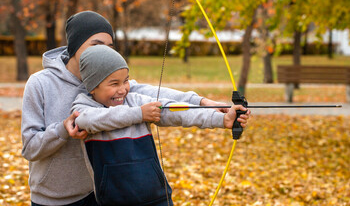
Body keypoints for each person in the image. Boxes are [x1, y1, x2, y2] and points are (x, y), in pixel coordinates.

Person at [21, 11, 251, 206]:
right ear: (74, 46)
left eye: (110, 47)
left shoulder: (116, 85)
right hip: (53, 199)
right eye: (96, 45)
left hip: (101, 195)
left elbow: (161, 99)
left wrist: (205, 104)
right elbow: (30, 147)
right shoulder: (41, 84)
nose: (104, 53)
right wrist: (62, 130)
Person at [70, 45, 249, 206]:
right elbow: (88, 120)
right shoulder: (84, 107)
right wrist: (139, 114)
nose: (123, 89)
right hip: (113, 200)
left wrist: (220, 119)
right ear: (92, 86)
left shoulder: (135, 100)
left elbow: (174, 110)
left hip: (156, 196)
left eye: (125, 81)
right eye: (114, 83)